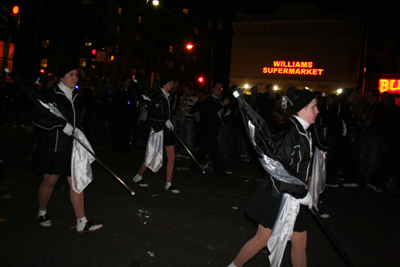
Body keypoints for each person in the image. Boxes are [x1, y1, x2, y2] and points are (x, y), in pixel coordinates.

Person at [228, 89, 319, 267]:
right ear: (301, 109)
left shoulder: (304, 132)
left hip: (295, 197)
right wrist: (301, 193)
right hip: (278, 196)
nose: (317, 111)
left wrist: (307, 190)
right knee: (263, 239)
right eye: (314, 107)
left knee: (300, 243)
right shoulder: (290, 135)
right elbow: (278, 171)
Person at [30, 63, 103, 233]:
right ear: (61, 77)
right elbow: (38, 119)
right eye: (71, 74)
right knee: (50, 181)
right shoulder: (50, 96)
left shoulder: (77, 96)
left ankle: (81, 221)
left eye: (76, 75)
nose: (75, 78)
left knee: (76, 183)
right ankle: (42, 211)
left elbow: (79, 121)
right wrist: (60, 125)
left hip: (73, 147)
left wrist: (80, 133)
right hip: (54, 146)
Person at [133, 75, 180, 194]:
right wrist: (165, 120)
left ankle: (168, 184)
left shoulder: (168, 97)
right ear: (165, 84)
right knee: (151, 156)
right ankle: (138, 176)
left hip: (167, 130)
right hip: (158, 130)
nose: (172, 85)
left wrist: (169, 122)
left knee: (171, 157)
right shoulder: (158, 97)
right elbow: (153, 114)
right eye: (170, 82)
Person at [190, 82, 231, 177]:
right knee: (214, 149)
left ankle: (194, 163)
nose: (219, 90)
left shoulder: (217, 100)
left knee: (206, 147)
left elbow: (218, 115)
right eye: (217, 88)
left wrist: (226, 114)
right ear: (213, 89)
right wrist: (222, 105)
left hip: (214, 128)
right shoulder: (209, 100)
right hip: (209, 128)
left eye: (221, 88)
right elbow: (211, 113)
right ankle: (219, 170)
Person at [175, 81, 198, 159]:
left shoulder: (194, 97)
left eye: (184, 87)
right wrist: (178, 110)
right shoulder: (182, 96)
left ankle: (190, 153)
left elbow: (196, 108)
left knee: (189, 138)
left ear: (187, 87)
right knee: (182, 137)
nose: (182, 89)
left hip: (189, 119)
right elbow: (180, 105)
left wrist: (186, 110)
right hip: (182, 118)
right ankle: (182, 152)